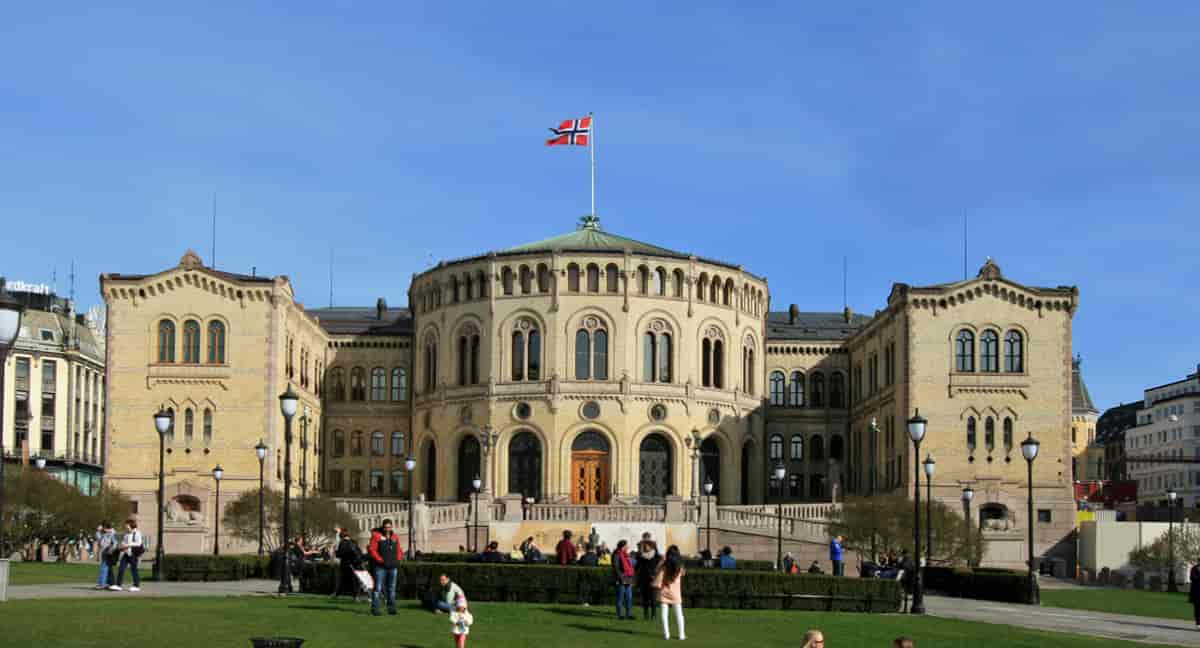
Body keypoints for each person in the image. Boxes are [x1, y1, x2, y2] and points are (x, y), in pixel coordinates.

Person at [368, 519, 404, 616]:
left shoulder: (395, 537)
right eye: (386, 527)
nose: (387, 529)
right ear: (383, 527)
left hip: (393, 566)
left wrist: (398, 558)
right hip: (380, 567)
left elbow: (399, 549)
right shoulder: (376, 536)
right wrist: (380, 559)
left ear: (392, 527)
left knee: (391, 588)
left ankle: (391, 608)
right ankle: (375, 609)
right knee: (378, 588)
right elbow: (372, 549)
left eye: (389, 527)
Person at [655, 545, 686, 641]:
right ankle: (681, 635)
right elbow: (683, 573)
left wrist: (662, 561)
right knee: (679, 614)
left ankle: (666, 635)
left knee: (664, 614)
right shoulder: (679, 566)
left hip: (664, 591)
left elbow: (656, 571)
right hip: (675, 593)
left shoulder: (664, 565)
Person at [331, 528, 365, 602]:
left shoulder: (342, 543)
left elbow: (339, 554)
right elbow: (359, 552)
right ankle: (356, 596)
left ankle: (337, 594)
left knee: (343, 580)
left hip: (345, 564)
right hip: (355, 564)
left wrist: (336, 551)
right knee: (354, 581)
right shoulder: (354, 542)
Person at [111, 519, 144, 592]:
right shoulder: (126, 534)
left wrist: (128, 545)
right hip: (126, 554)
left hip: (133, 554)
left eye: (127, 525)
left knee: (134, 570)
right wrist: (122, 546)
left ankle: (136, 585)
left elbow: (138, 543)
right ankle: (118, 585)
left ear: (131, 525)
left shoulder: (137, 533)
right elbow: (124, 542)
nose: (126, 527)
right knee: (121, 569)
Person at [635, 538, 661, 621]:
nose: (645, 547)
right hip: (644, 579)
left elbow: (660, 568)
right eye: (644, 546)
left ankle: (653, 615)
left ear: (651, 547)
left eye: (647, 546)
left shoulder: (657, 556)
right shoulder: (641, 556)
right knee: (645, 599)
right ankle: (646, 614)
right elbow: (637, 567)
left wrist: (656, 575)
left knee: (653, 599)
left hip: (653, 579)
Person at [612, 539, 635, 620]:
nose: (628, 547)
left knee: (629, 597)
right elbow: (616, 567)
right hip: (621, 578)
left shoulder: (626, 555)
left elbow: (630, 566)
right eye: (626, 545)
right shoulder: (616, 554)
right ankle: (620, 614)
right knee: (620, 597)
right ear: (623, 547)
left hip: (628, 578)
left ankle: (629, 614)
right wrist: (621, 578)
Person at [95, 522, 117, 590]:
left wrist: (111, 550)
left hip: (108, 553)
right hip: (104, 552)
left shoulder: (111, 533)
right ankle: (109, 583)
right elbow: (99, 539)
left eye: (103, 528)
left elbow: (115, 543)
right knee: (106, 568)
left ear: (105, 527)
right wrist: (98, 531)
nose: (103, 529)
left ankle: (102, 584)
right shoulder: (105, 534)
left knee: (104, 568)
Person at [1189, 562, 1200, 628]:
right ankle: (1198, 623)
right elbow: (1192, 578)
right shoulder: (1194, 568)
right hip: (1196, 592)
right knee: (1197, 608)